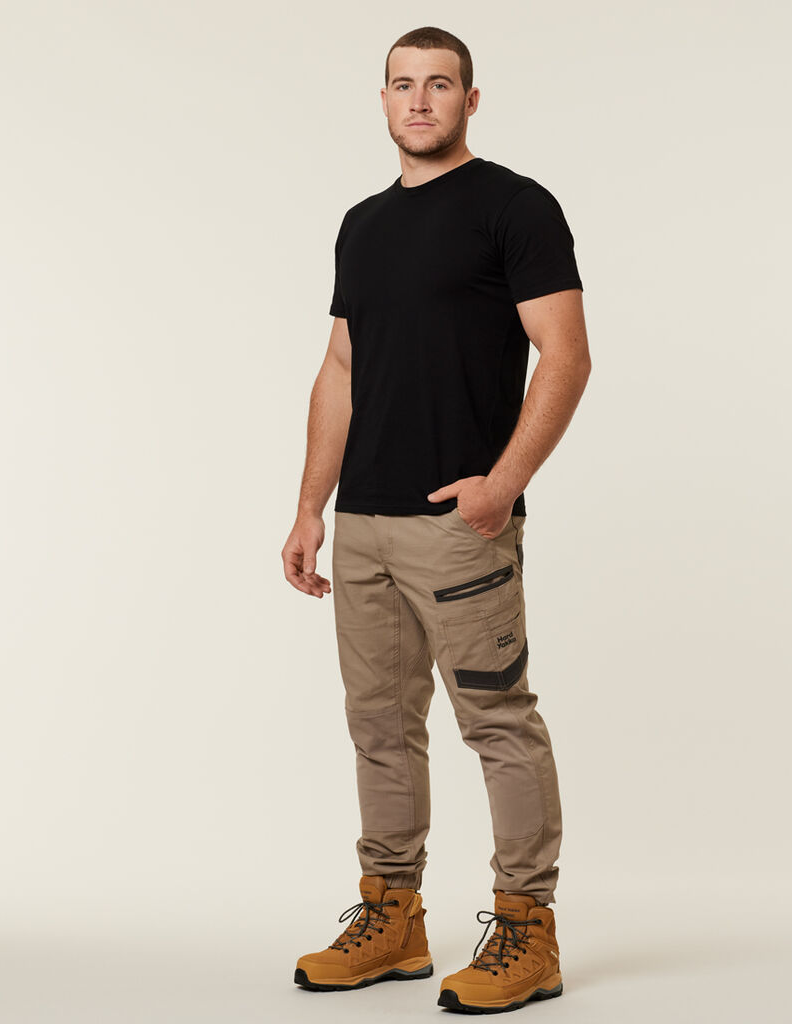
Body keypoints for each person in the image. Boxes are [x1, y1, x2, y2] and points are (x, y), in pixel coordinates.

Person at [282, 25, 591, 1014]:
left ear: (470, 98)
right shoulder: (362, 225)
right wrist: (310, 508)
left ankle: (528, 931)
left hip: (462, 525)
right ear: (382, 100)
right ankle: (393, 917)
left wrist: (501, 484)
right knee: (379, 726)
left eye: (440, 84)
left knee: (497, 721)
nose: (419, 100)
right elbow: (342, 366)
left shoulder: (514, 206)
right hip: (364, 524)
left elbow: (567, 354)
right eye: (402, 84)